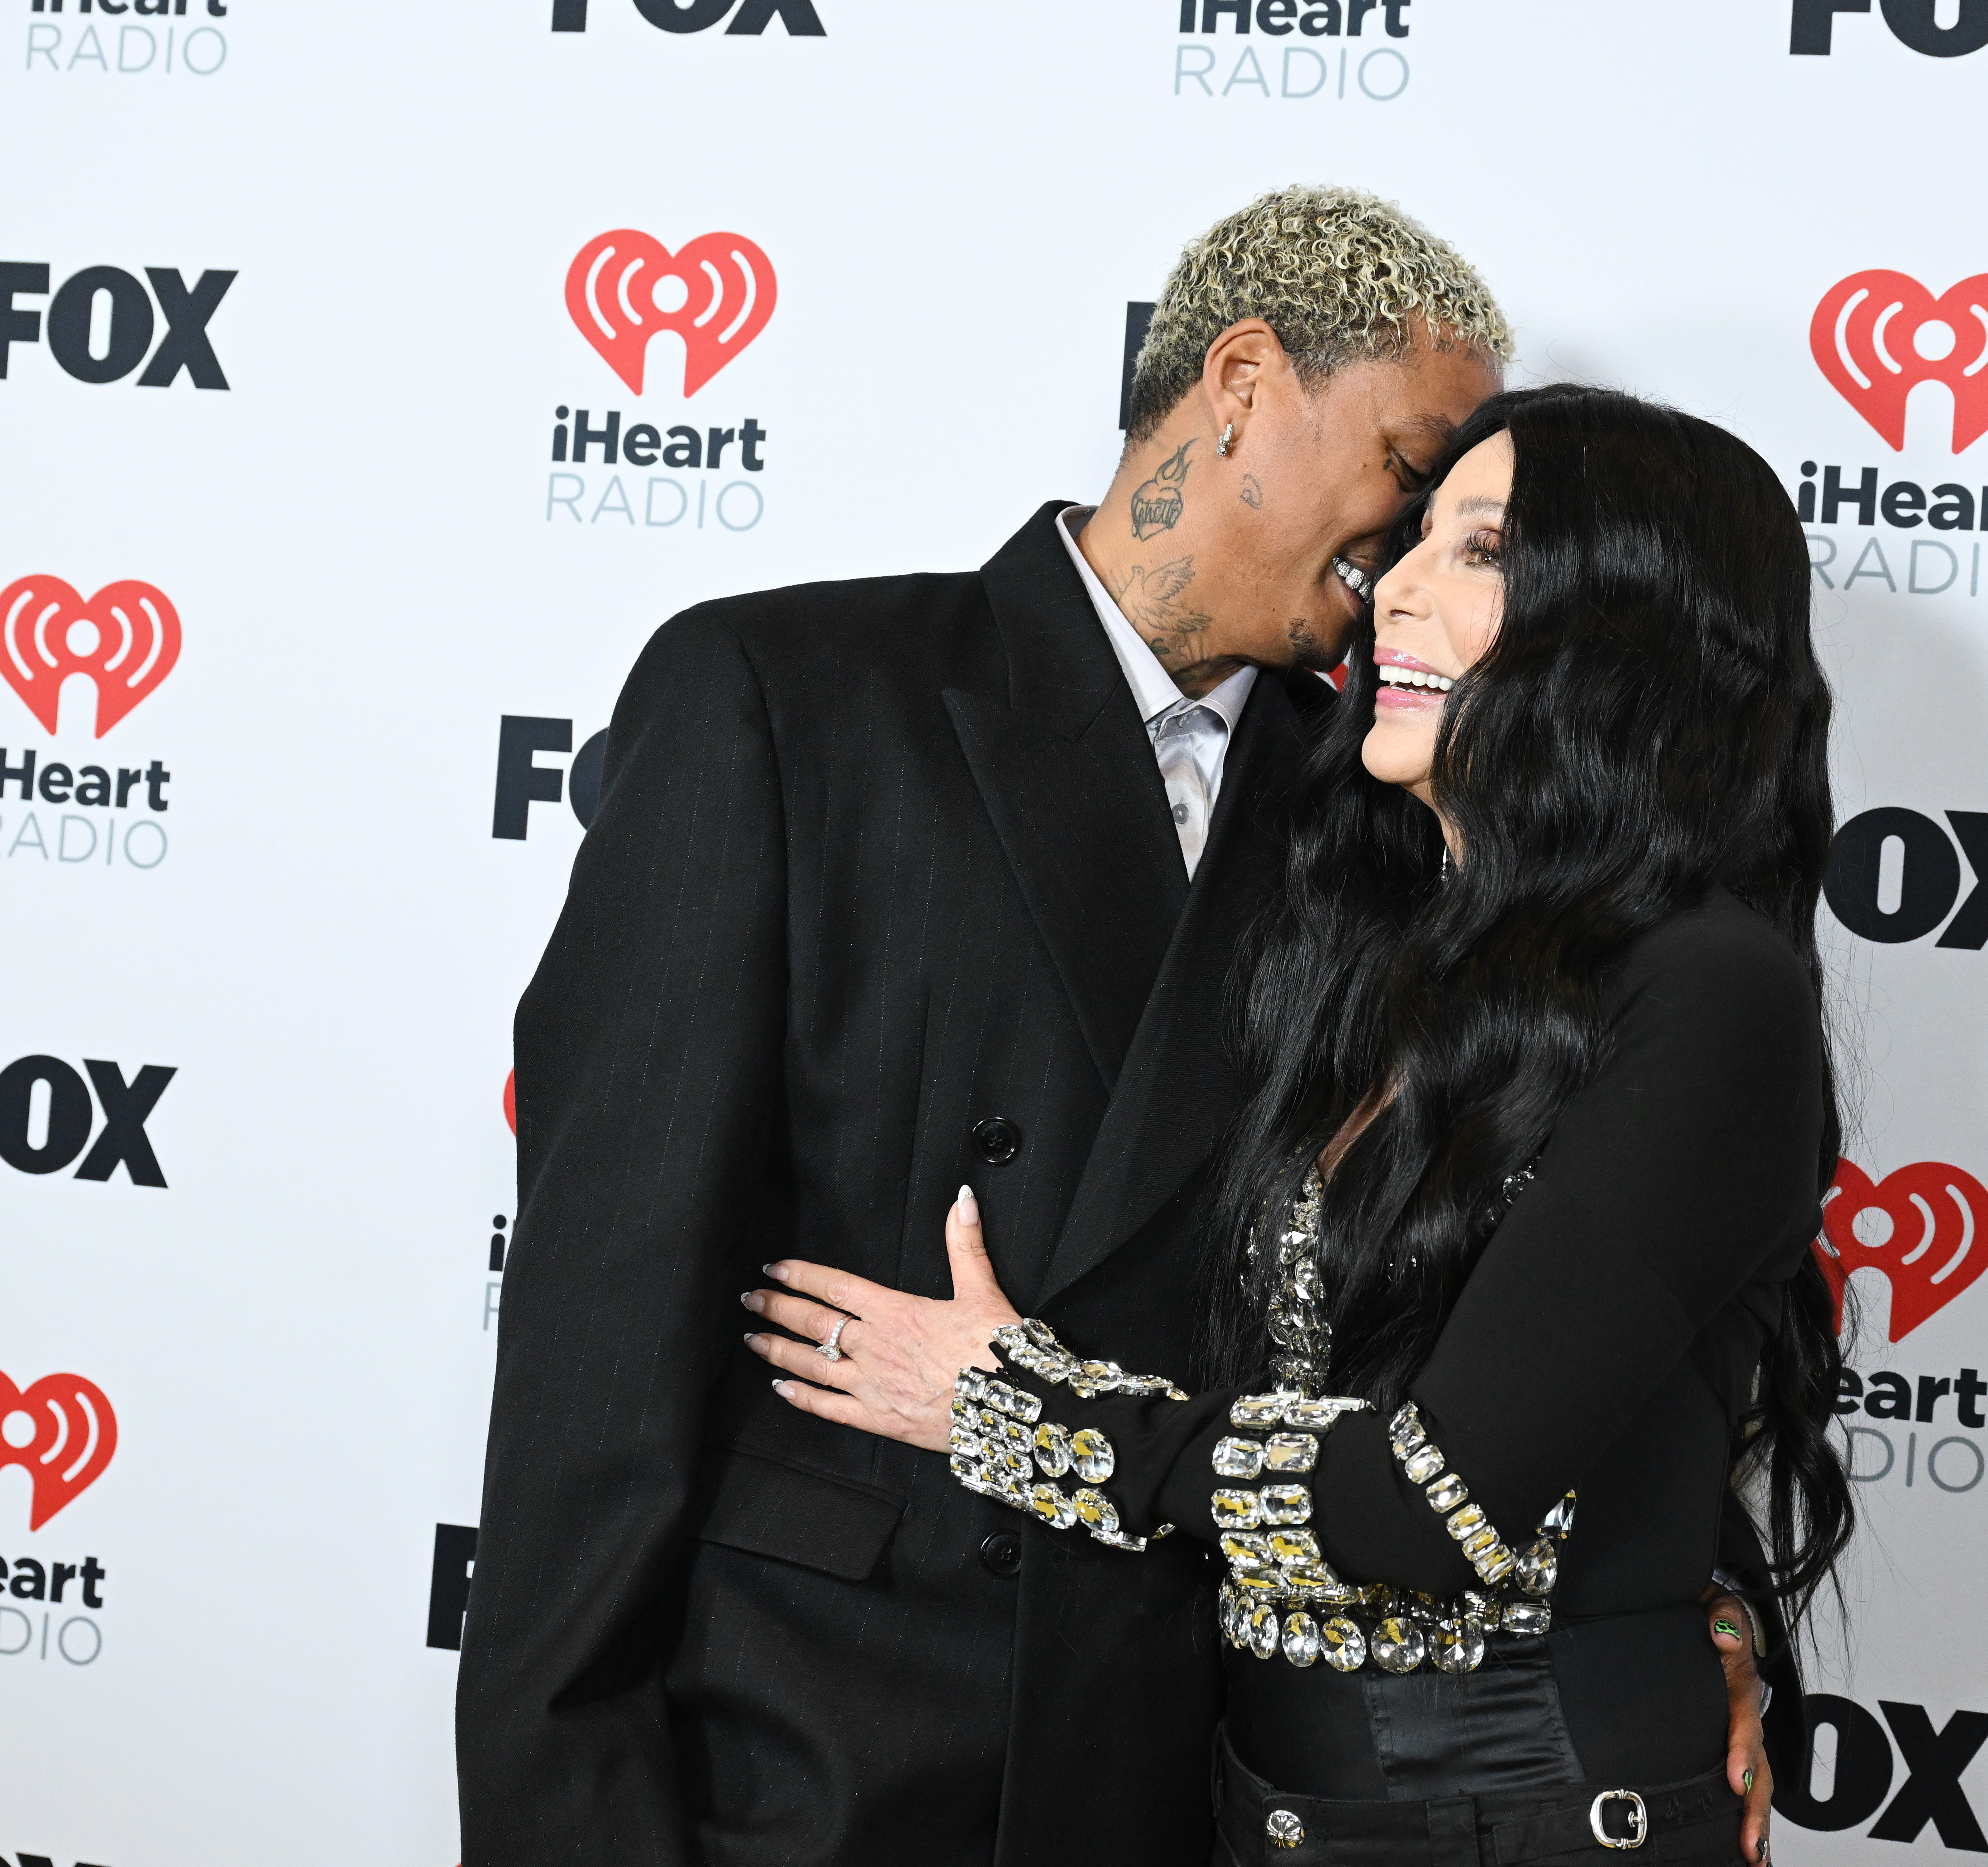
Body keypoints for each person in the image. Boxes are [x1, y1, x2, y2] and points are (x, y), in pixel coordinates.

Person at [454, 186, 1515, 1867]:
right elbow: (600, 1333)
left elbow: (1464, 1325)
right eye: (1407, 464)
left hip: (1176, 1765)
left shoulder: (1379, 810)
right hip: (797, 1755)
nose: (1414, 535)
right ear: (1239, 384)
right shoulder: (784, 696)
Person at [735, 383, 1853, 1867]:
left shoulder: (1709, 990)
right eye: (1411, 539)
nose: (1392, 586)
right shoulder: (1378, 947)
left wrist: (1010, 1410)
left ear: (1631, 623)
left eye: (1480, 549)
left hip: (1533, 1814)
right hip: (1265, 1804)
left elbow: (1433, 1505)